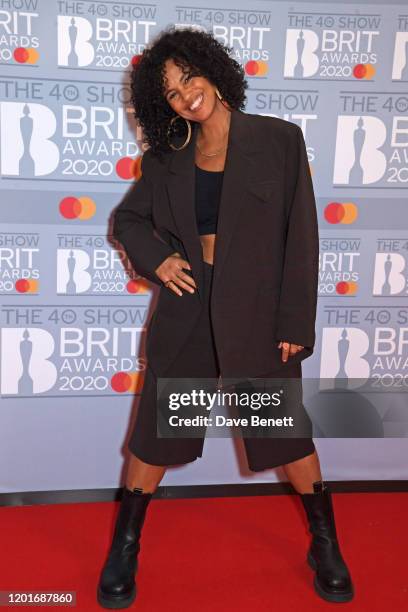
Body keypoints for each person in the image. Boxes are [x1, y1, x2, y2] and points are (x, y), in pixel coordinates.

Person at [97, 26, 354, 609]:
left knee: (283, 433)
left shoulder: (279, 141)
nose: (185, 93)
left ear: (213, 70)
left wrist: (294, 322)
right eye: (169, 91)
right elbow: (129, 223)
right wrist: (160, 260)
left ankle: (324, 542)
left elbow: (302, 239)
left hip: (256, 312)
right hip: (189, 309)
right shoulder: (166, 161)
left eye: (189, 75)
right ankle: (126, 546)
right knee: (158, 432)